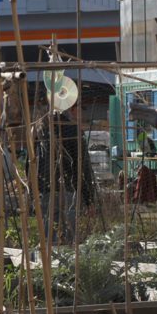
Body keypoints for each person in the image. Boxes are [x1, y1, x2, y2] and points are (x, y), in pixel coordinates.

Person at [35, 103, 95, 244]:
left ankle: (49, 262)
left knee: (49, 233)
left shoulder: (40, 130)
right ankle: (69, 261)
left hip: (45, 187)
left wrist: (33, 189)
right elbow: (82, 167)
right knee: (71, 233)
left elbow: (30, 162)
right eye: (80, 109)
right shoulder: (73, 130)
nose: (81, 114)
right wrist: (89, 198)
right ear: (71, 109)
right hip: (69, 188)